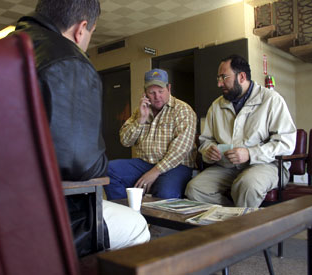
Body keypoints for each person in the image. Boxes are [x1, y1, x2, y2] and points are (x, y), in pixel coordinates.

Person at [14, 0, 149, 257]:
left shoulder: (7, 46)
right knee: (137, 225)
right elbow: (83, 165)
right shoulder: (69, 61)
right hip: (43, 215)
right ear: (81, 28)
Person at [185, 54, 296, 208]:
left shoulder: (271, 100)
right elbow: (206, 140)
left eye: (223, 77)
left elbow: (286, 143)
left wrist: (250, 154)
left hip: (266, 165)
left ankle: (241, 224)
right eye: (218, 78)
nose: (219, 83)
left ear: (242, 76)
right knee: (194, 189)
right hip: (227, 167)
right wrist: (208, 150)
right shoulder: (216, 106)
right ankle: (238, 217)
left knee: (247, 185)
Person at [104, 68, 197, 200]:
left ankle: (156, 219)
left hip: (176, 166)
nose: (157, 96)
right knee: (109, 170)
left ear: (168, 88)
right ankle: (128, 215)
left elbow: (181, 150)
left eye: (160, 91)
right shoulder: (140, 111)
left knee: (165, 193)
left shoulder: (182, 109)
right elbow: (125, 141)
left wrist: (154, 172)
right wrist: (140, 120)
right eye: (152, 92)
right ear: (145, 93)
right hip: (144, 163)